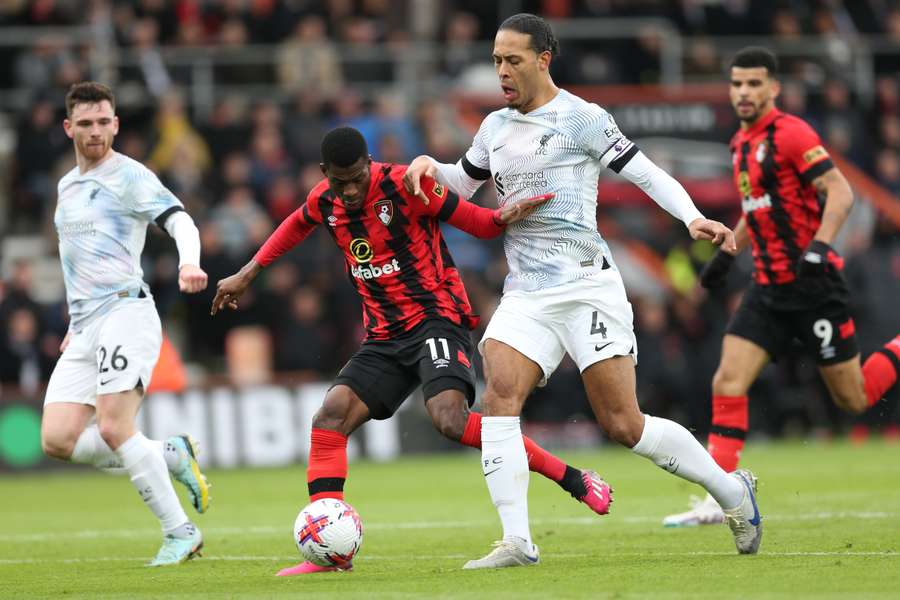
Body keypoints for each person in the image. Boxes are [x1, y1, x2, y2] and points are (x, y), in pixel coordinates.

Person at [403, 13, 762, 569]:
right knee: (498, 398)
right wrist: (431, 166)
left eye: (513, 60)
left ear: (543, 59)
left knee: (623, 424)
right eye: (497, 59)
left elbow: (645, 173)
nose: (502, 71)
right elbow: (464, 182)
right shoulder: (493, 127)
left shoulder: (581, 118)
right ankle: (517, 541)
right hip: (525, 293)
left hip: (587, 286)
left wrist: (691, 217)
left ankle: (731, 490)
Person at [211, 126, 614, 576]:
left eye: (357, 177)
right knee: (330, 416)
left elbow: (476, 223)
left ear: (369, 164)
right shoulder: (324, 201)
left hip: (436, 319)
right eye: (339, 181)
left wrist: (501, 217)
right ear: (325, 174)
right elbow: (295, 225)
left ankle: (572, 477)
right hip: (384, 336)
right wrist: (248, 273)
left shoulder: (407, 185)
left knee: (449, 419)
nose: (350, 189)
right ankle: (330, 550)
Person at [663, 47, 900, 527]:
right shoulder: (739, 144)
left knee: (854, 399)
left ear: (773, 88)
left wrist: (821, 247)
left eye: (754, 84)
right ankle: (722, 497)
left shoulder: (792, 134)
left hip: (813, 287)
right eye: (737, 84)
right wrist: (728, 253)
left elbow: (841, 191)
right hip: (767, 289)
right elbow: (758, 210)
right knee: (727, 380)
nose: (744, 92)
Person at [40, 82, 211, 567]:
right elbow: (77, 261)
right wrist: (75, 322)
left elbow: (180, 220)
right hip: (85, 325)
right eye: (86, 123)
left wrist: (188, 264)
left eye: (104, 122)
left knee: (115, 428)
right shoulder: (65, 185)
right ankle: (168, 454)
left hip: (125, 311)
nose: (95, 131)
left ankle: (181, 532)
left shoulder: (131, 176)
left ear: (115, 124)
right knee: (57, 440)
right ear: (69, 127)